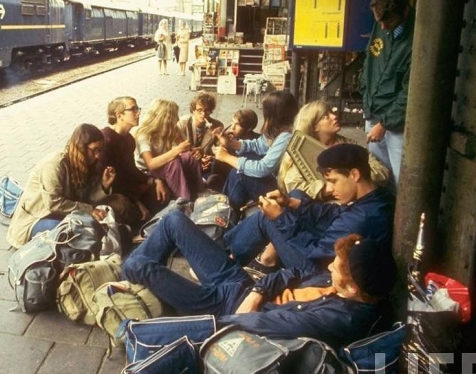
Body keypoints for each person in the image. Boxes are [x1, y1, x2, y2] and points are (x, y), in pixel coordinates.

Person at [121, 211, 396, 351]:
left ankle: (134, 281)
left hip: (228, 307)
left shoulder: (338, 319)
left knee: (136, 264)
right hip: (243, 286)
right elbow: (294, 273)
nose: (329, 267)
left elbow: (254, 322)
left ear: (351, 288)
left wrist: (145, 333)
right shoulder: (350, 284)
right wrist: (258, 289)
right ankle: (145, 284)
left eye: (335, 268)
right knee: (174, 220)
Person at [223, 143, 395, 277]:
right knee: (296, 195)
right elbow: (334, 214)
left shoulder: (362, 219)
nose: (329, 188)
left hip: (319, 272)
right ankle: (230, 251)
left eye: (333, 181)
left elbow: (314, 252)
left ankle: (225, 263)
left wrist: (280, 218)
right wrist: (291, 202)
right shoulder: (376, 198)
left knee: (268, 219)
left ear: (354, 175)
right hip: (328, 255)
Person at [6, 123, 116, 249]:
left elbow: (85, 199)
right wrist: (89, 210)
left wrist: (103, 185)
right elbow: (54, 204)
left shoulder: (86, 164)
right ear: (80, 147)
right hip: (37, 218)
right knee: (75, 233)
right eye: (94, 150)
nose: (98, 155)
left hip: (62, 215)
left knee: (94, 229)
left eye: (100, 149)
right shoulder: (54, 164)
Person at [358, 0, 414, 190]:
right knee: (380, 176)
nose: (382, 26)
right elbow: (369, 62)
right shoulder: (381, 23)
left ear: (405, 11)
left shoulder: (417, 38)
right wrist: (366, 98)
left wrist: (385, 123)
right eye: (378, 20)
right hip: (372, 114)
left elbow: (410, 91)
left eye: (388, 20)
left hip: (395, 125)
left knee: (400, 181)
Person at [276, 100, 391, 198]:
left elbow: (382, 172)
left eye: (332, 112)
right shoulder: (301, 150)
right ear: (314, 126)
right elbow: (294, 186)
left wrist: (351, 180)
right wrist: (324, 189)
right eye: (326, 116)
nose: (335, 116)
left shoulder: (349, 145)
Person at [213, 90, 298, 211]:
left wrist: (227, 157)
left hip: (282, 191)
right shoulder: (278, 128)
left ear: (275, 114)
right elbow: (259, 145)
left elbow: (263, 168)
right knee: (239, 168)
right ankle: (226, 208)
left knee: (239, 175)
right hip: (276, 180)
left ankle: (226, 215)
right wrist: (232, 143)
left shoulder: (287, 137)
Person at [100, 96, 169, 228]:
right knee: (127, 207)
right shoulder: (107, 140)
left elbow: (131, 171)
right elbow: (113, 181)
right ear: (119, 115)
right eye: (133, 109)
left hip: (126, 189)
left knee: (160, 190)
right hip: (108, 192)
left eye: (138, 108)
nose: (138, 113)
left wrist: (155, 180)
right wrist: (137, 202)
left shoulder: (129, 140)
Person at [133, 98, 206, 202]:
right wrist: (177, 150)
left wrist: (198, 151)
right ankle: (185, 200)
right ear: (165, 118)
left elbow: (187, 149)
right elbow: (150, 164)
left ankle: (200, 191)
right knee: (174, 162)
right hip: (147, 172)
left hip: (162, 168)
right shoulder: (144, 135)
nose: (177, 119)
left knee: (190, 156)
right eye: (175, 115)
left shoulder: (170, 130)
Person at [204, 107, 260, 191]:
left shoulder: (255, 143)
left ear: (249, 129)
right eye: (232, 122)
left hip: (241, 180)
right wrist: (219, 145)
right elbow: (217, 168)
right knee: (211, 178)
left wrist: (226, 146)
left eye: (237, 124)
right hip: (226, 175)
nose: (232, 127)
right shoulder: (233, 137)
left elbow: (240, 166)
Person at [177, 92, 225, 182]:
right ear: (193, 110)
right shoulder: (183, 124)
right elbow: (176, 149)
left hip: (205, 164)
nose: (203, 114)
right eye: (199, 110)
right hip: (187, 162)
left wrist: (211, 158)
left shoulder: (216, 125)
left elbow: (222, 148)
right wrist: (197, 158)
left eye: (207, 110)